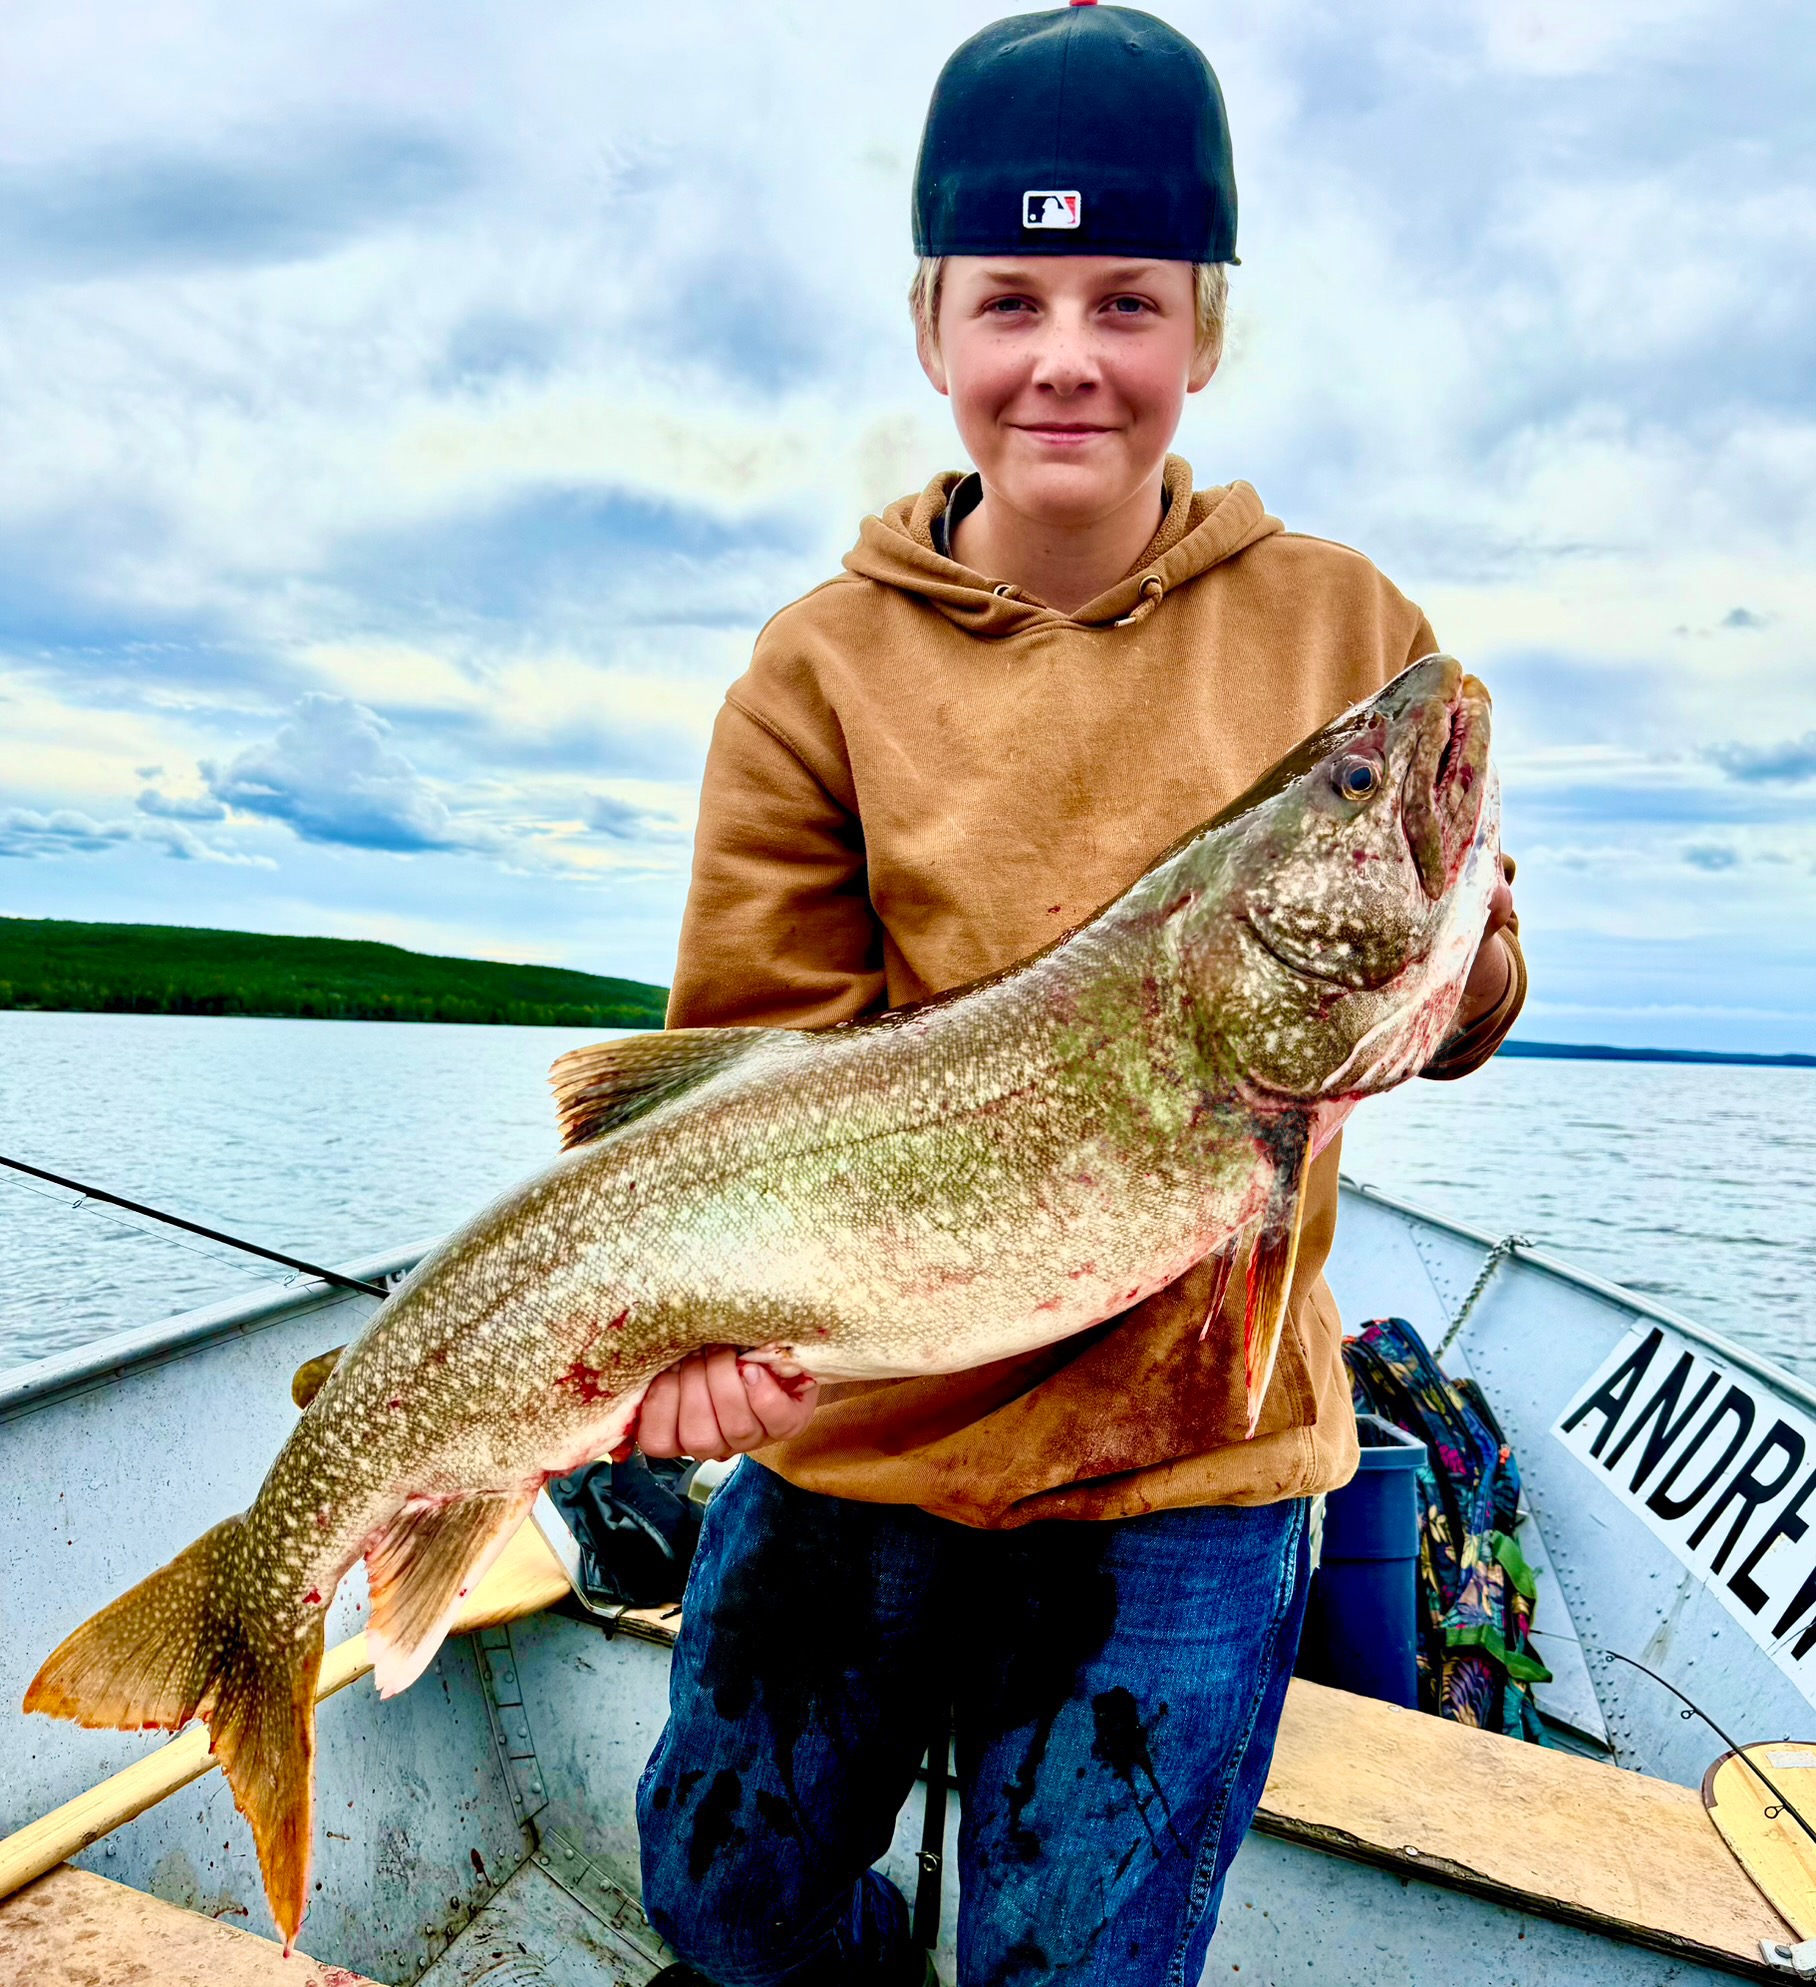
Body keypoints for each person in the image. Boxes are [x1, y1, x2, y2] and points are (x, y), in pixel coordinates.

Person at [635, 6, 1525, 1983]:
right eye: (1009, 295)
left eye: (1122, 297)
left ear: (1200, 331)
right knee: (720, 1889)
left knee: (1083, 1963)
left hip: (1192, 1466)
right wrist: (700, 1337)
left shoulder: (1338, 626)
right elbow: (744, 1068)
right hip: (858, 1433)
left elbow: (1467, 985)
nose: (1063, 355)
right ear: (930, 323)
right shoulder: (814, 669)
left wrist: (1451, 954)